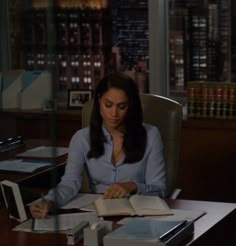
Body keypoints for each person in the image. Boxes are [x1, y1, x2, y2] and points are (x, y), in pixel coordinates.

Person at [30, 72, 167, 218]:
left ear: (131, 106)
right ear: (99, 101)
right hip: (98, 214)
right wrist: (49, 201)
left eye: (122, 106)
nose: (114, 113)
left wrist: (132, 186)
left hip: (139, 214)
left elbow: (160, 189)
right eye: (108, 105)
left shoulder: (151, 135)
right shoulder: (81, 139)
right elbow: (69, 183)